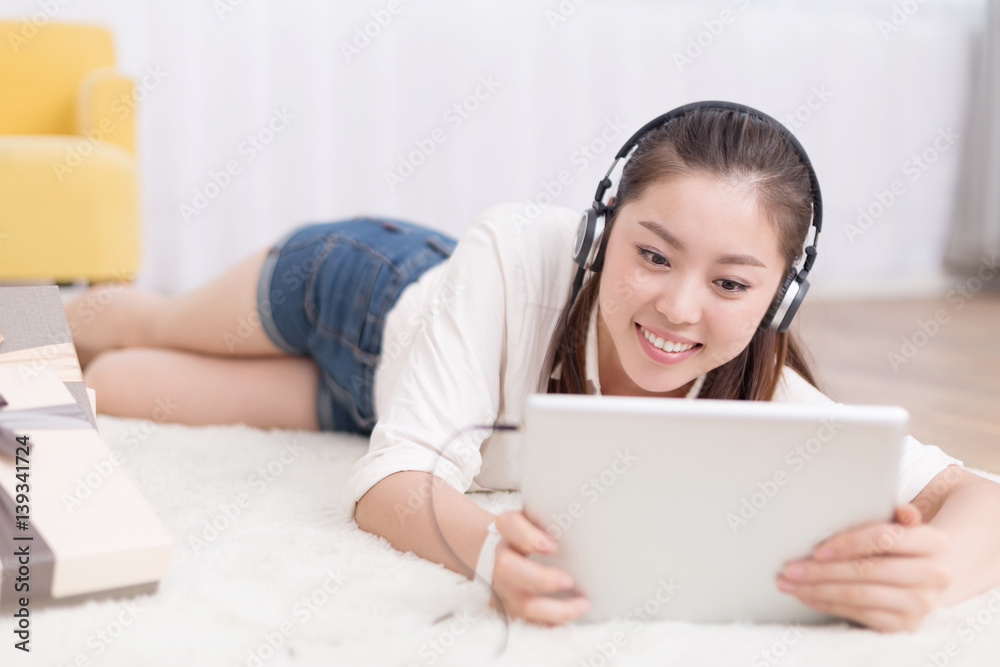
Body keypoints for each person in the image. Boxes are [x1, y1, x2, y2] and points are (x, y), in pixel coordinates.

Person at [68, 103, 1000, 633]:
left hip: (369, 399)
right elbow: (391, 483)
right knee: (130, 322)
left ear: (777, 300)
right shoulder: (514, 251)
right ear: (603, 234)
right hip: (358, 287)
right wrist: (485, 550)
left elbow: (981, 493)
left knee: (115, 388)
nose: (680, 308)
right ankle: (34, 303)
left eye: (730, 281)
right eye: (654, 255)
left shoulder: (766, 392)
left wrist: (940, 569)